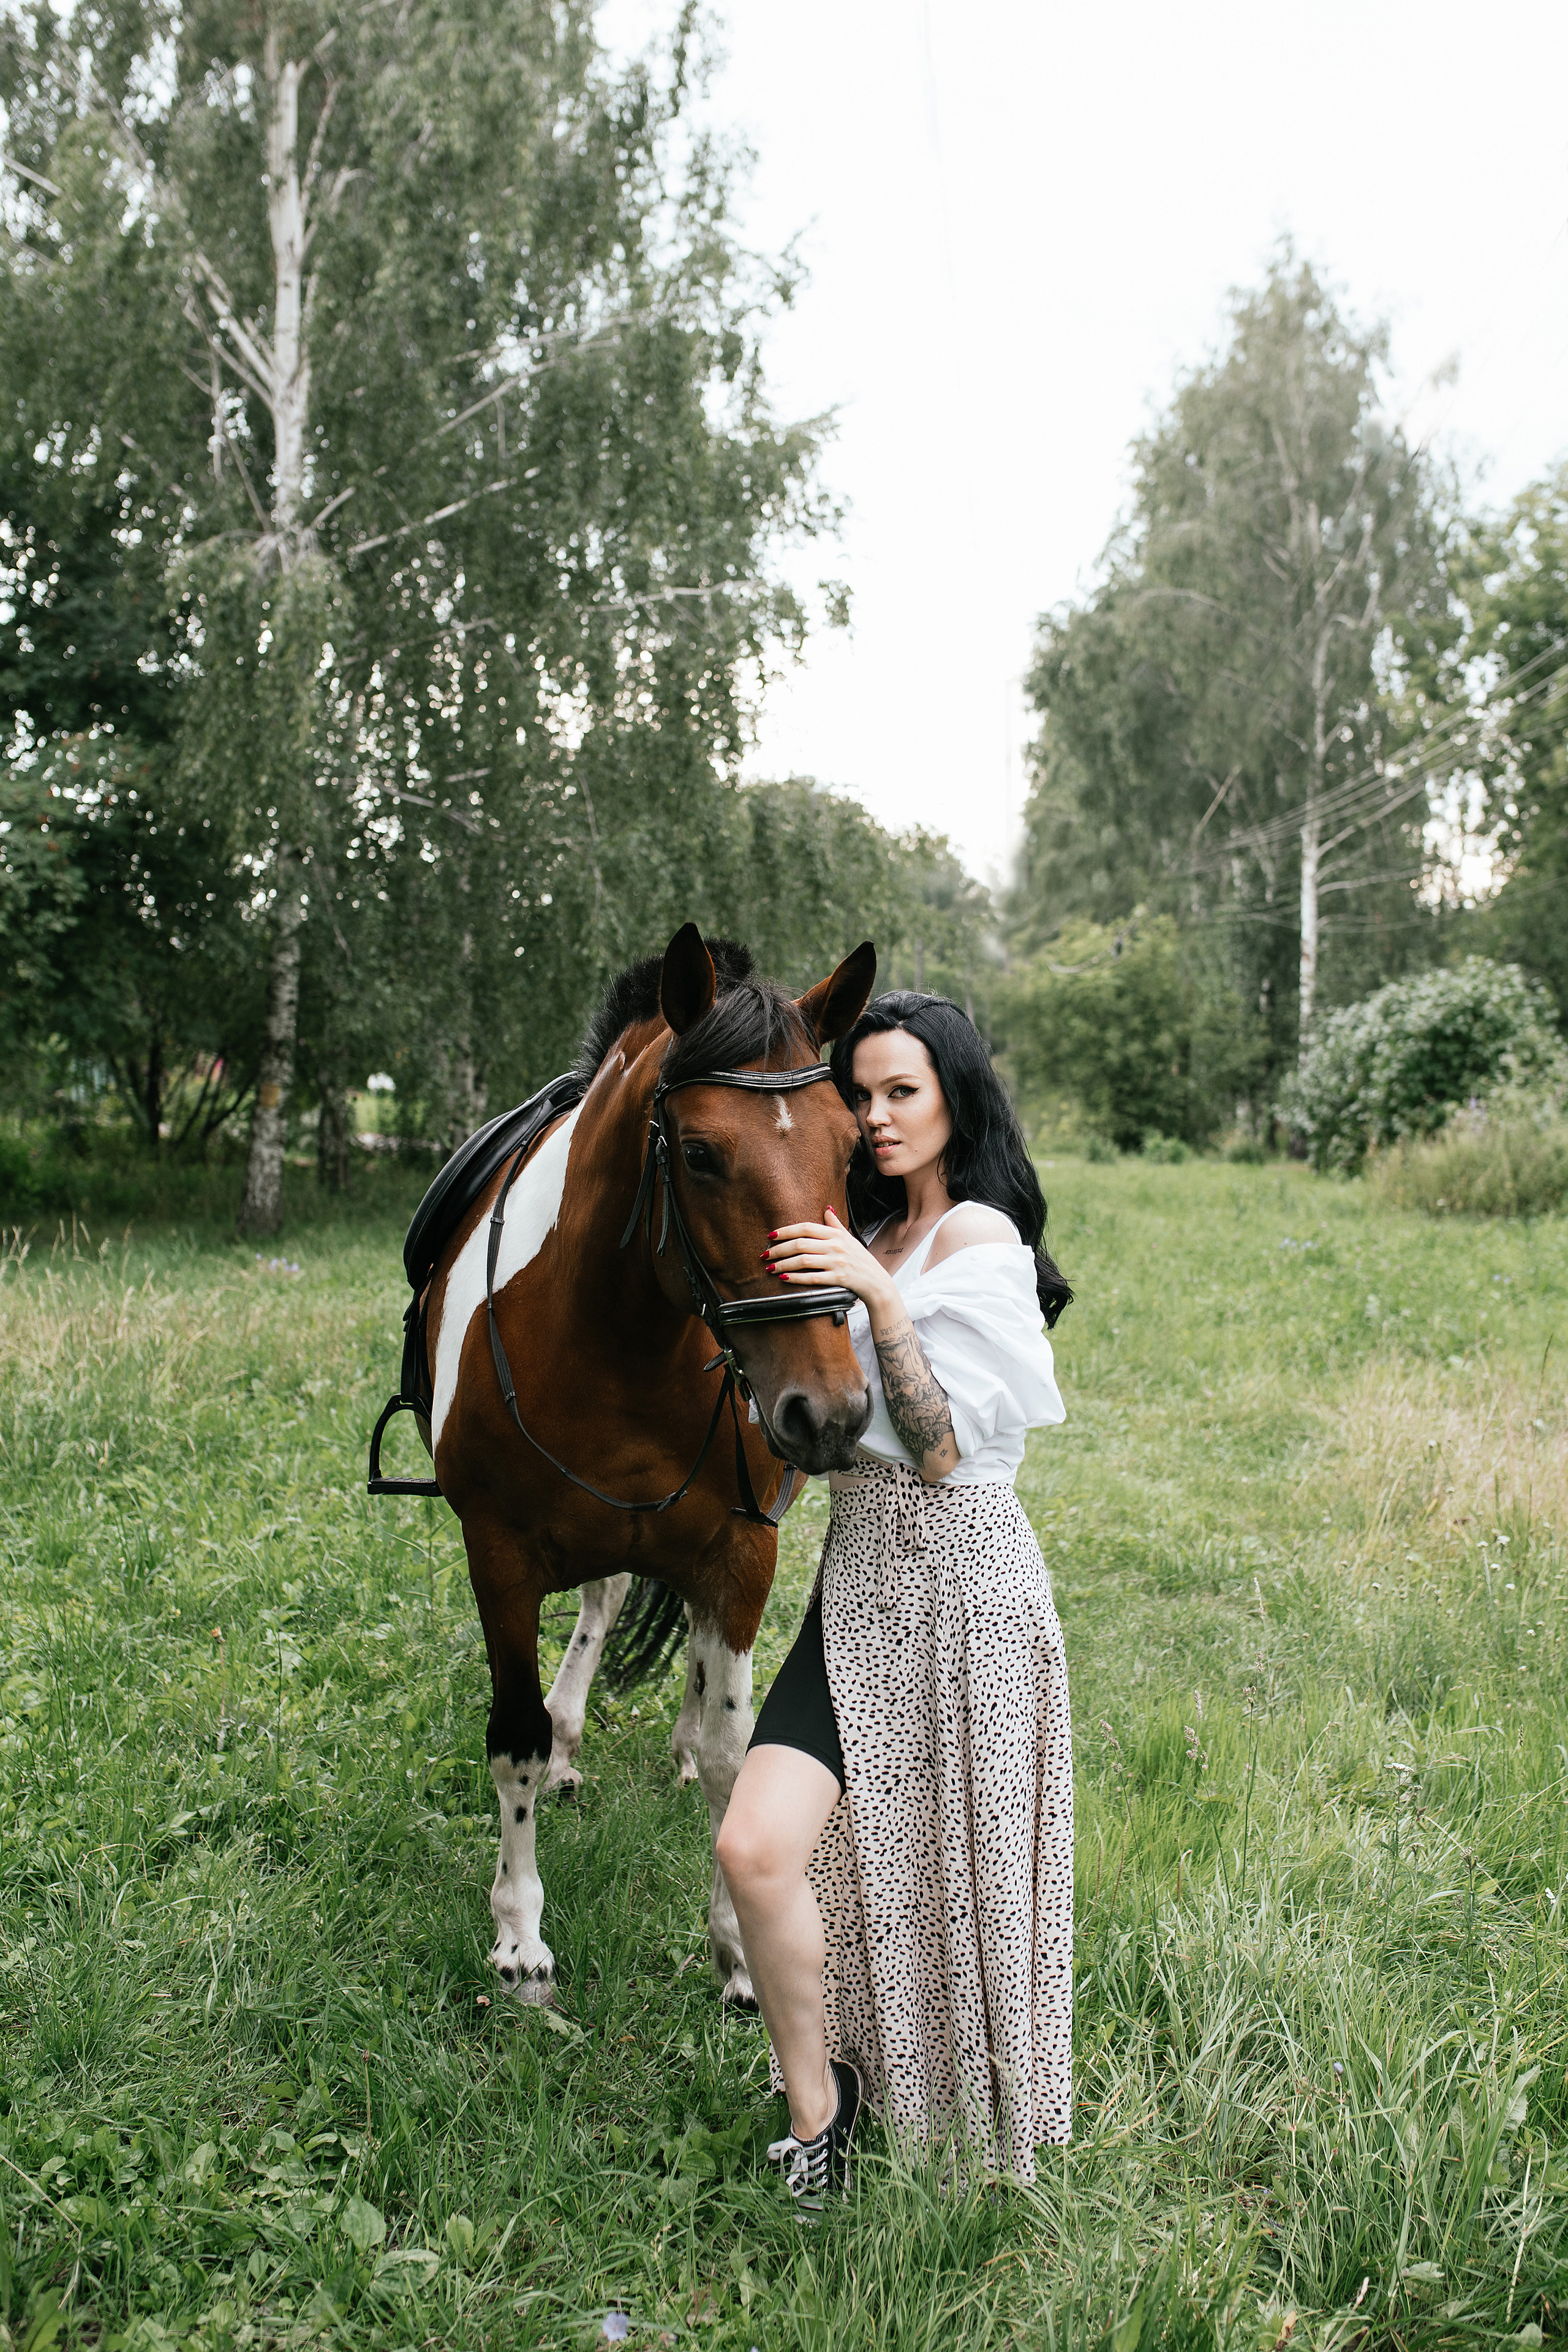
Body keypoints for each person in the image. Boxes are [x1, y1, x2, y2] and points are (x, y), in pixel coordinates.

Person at [715, 991, 1075, 2217]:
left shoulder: (976, 1239)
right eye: (858, 1094)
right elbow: (825, 1429)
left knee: (952, 1870)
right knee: (757, 1848)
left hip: (966, 1586)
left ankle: (956, 2111)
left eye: (900, 1091)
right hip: (863, 1578)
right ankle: (817, 2113)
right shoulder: (859, 1227)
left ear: (953, 1097)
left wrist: (877, 1294)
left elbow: (936, 1447)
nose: (875, 1116)